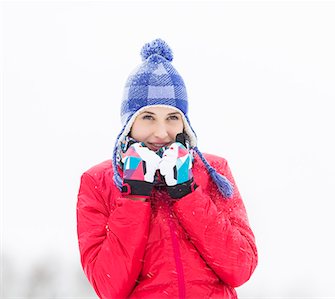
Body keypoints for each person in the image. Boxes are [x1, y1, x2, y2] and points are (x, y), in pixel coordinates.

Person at [76, 38, 258, 298]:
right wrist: (135, 194)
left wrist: (187, 192)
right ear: (129, 123)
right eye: (148, 117)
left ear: (185, 123)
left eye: (172, 118)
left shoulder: (213, 172)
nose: (161, 132)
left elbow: (239, 267)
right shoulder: (98, 182)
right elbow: (109, 286)